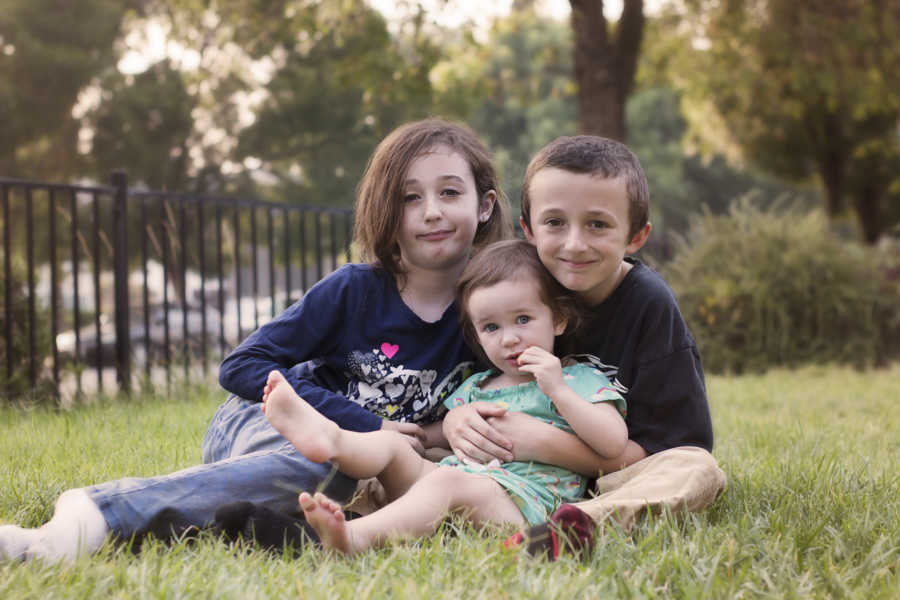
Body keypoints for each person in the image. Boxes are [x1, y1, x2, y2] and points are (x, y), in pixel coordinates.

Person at [0, 118, 513, 563]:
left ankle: (219, 517)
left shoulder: (492, 312)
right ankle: (91, 514)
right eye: (410, 197)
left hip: (357, 460)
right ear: (387, 209)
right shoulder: (355, 289)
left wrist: (440, 430)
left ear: (485, 205)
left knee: (346, 487)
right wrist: (369, 423)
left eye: (449, 192)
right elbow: (242, 367)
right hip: (265, 419)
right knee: (319, 463)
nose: (431, 212)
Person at [443, 135, 726, 554]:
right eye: (555, 222)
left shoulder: (649, 304)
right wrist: (457, 422)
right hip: (515, 474)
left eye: (598, 224)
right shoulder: (513, 290)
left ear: (636, 236)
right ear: (528, 228)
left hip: (614, 480)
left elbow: (669, 449)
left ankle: (574, 528)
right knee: (411, 452)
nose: (575, 244)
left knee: (698, 471)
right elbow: (482, 384)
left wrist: (544, 443)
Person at [261, 239, 628, 554]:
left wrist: (559, 390)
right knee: (394, 446)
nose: (509, 338)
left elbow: (613, 443)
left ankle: (353, 538)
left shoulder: (577, 378)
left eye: (522, 319)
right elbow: (431, 438)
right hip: (450, 483)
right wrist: (419, 435)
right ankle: (332, 439)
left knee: (446, 483)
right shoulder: (478, 384)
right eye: (491, 327)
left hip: (521, 506)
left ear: (559, 319)